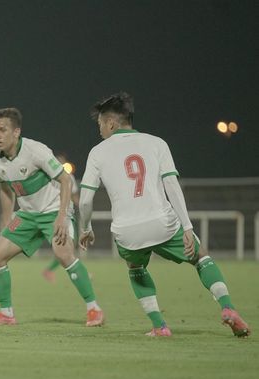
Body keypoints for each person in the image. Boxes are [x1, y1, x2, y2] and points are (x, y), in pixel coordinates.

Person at [79, 92, 250, 337]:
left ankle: (159, 326)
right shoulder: (157, 143)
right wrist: (187, 226)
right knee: (200, 257)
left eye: (100, 125)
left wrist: (86, 229)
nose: (100, 132)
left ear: (111, 123)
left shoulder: (97, 152)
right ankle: (227, 308)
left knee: (135, 266)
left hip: (126, 230)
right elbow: (172, 186)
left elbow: (85, 201)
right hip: (163, 222)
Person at [0, 108, 104, 327]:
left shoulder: (36, 150)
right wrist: (7, 219)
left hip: (54, 210)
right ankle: (6, 314)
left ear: (16, 132)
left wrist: (61, 216)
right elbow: (5, 190)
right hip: (28, 215)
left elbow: (66, 180)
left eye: (2, 130)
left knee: (64, 254)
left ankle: (94, 309)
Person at [42, 152, 80, 283]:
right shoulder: (68, 177)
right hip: (63, 216)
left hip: (51, 214)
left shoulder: (46, 176)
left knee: (66, 247)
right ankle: (77, 273)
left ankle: (51, 270)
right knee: (67, 246)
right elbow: (74, 196)